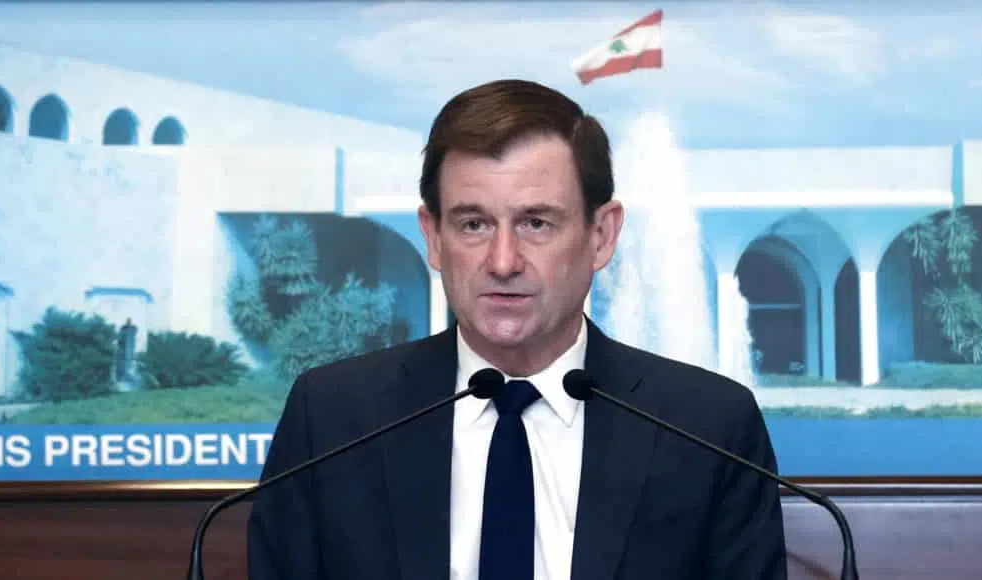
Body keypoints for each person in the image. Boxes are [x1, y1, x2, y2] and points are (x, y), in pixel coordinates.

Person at [247, 79, 788, 580]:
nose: (503, 261)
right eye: (473, 224)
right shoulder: (333, 420)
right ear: (433, 237)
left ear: (601, 235)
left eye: (536, 223)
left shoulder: (708, 428)